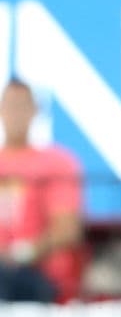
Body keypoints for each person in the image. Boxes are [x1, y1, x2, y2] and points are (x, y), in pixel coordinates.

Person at [0, 78, 83, 303]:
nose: (16, 114)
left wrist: (21, 254)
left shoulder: (57, 162)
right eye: (10, 105)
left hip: (36, 274)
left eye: (22, 106)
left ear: (35, 111)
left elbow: (67, 229)